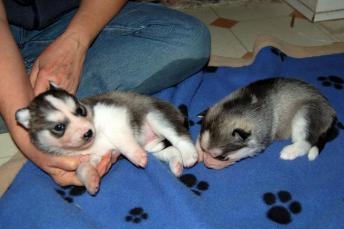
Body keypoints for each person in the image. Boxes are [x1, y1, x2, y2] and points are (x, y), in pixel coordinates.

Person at [0, 0, 210, 187]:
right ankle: (22, 93)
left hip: (73, 18)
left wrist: (77, 42)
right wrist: (26, 137)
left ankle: (40, 93)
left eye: (79, 112)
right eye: (59, 126)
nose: (84, 127)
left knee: (189, 39)